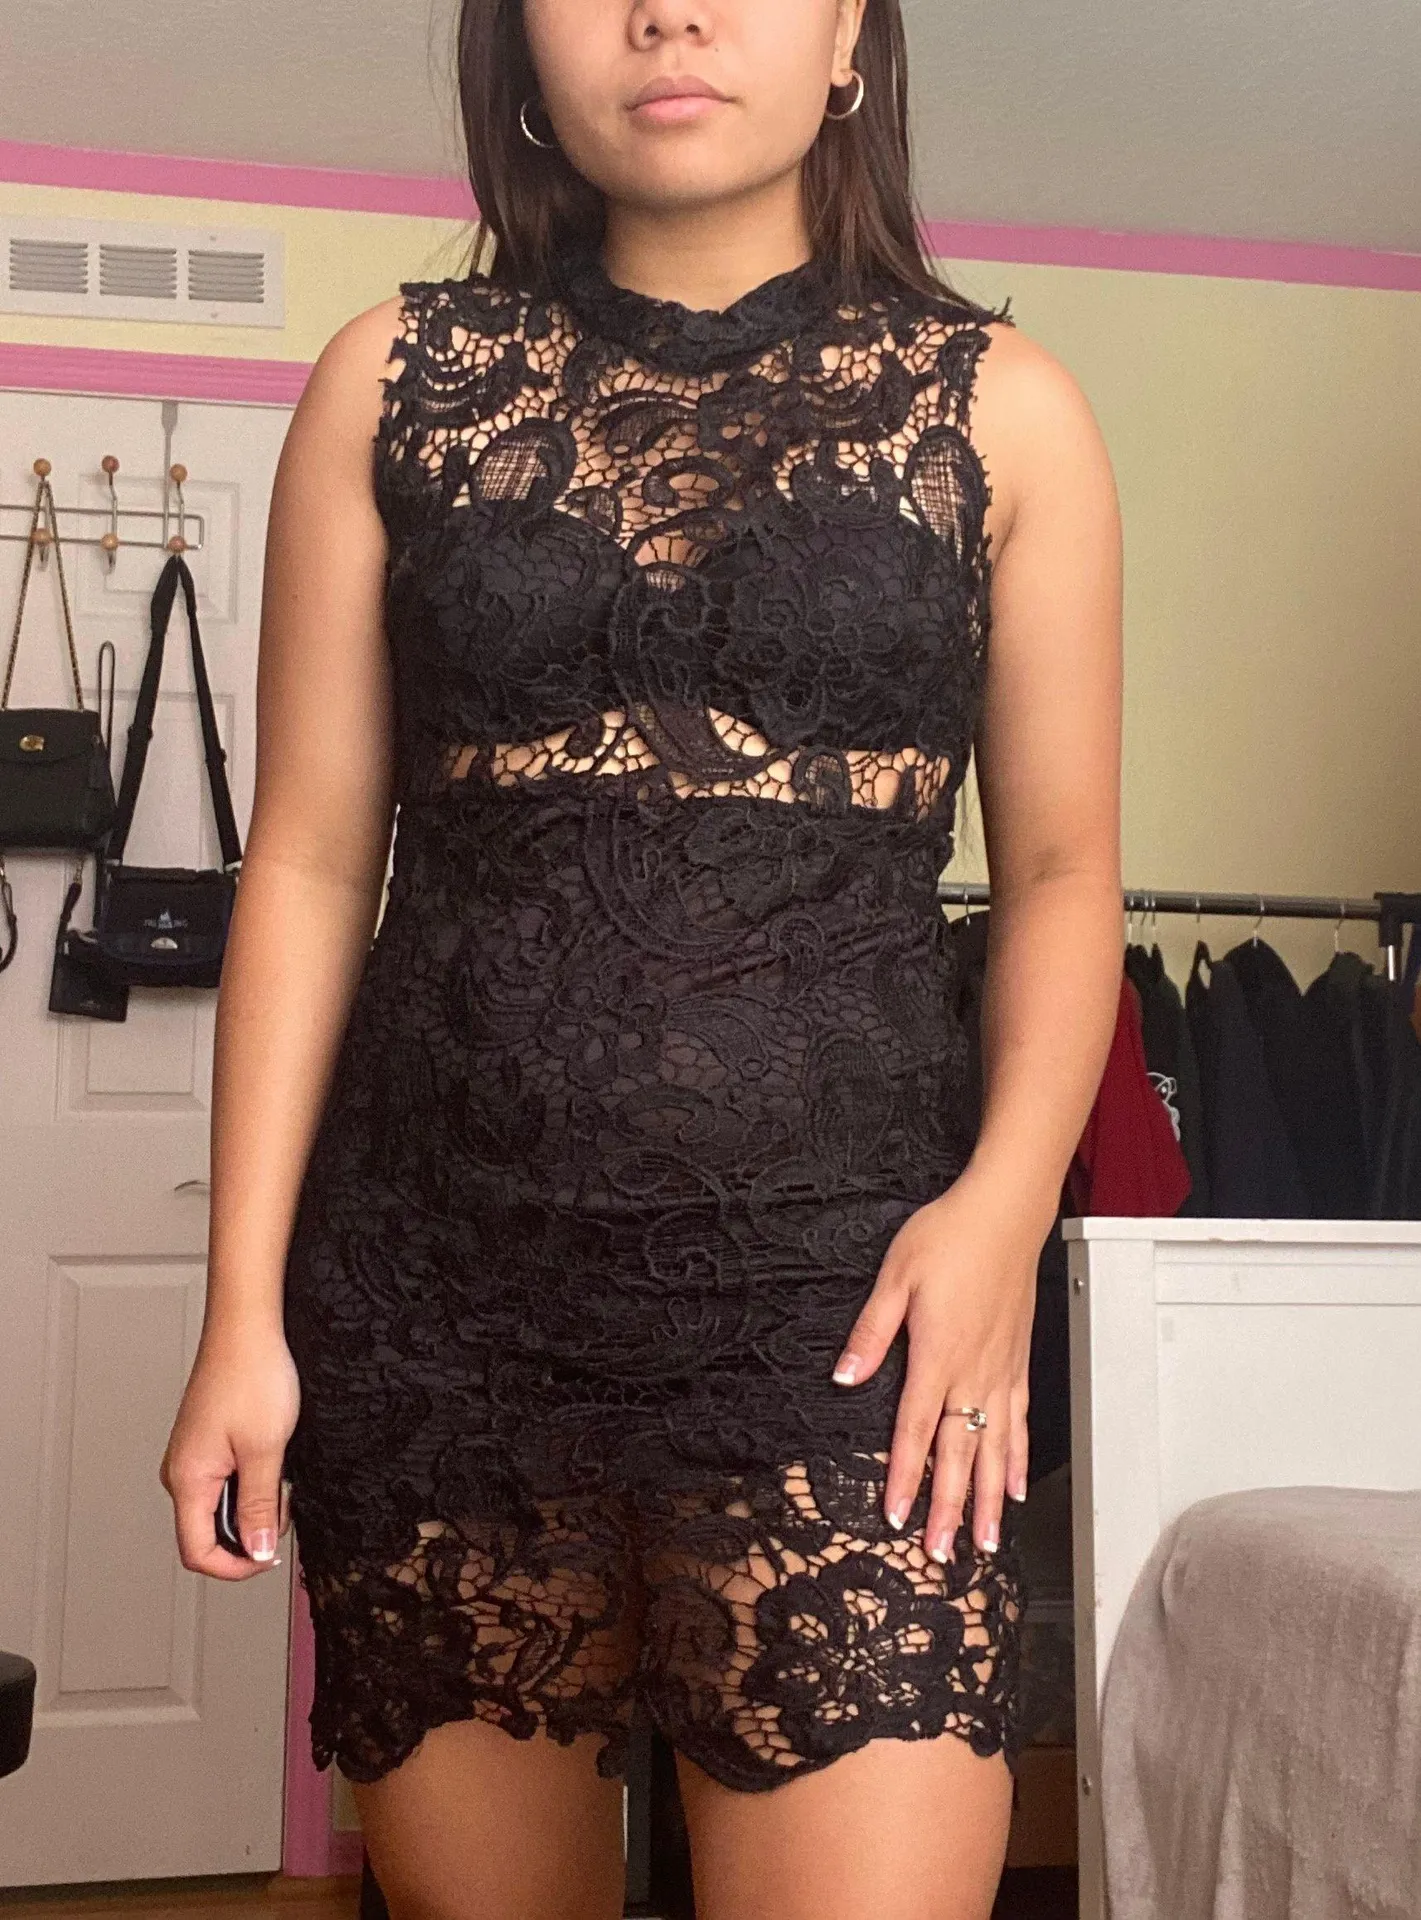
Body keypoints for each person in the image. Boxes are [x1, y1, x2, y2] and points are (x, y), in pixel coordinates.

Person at [159, 1, 1123, 1914]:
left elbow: (1063, 872)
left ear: (849, 38)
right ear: (517, 45)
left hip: (847, 1313)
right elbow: (313, 862)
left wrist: (1007, 1212)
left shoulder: (1004, 408)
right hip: (436, 1306)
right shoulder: (389, 380)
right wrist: (238, 1312)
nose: (667, 9)